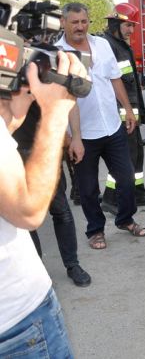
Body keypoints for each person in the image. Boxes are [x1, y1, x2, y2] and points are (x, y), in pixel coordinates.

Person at [0, 50, 86, 356]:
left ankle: (72, 263)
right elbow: (29, 212)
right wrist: (55, 112)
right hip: (17, 326)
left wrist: (11, 117)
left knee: (62, 211)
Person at [56, 2, 145, 250]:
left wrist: (127, 110)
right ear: (63, 23)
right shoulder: (57, 54)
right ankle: (95, 230)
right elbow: (67, 98)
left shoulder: (102, 45)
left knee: (127, 179)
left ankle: (125, 219)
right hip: (82, 135)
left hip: (112, 127)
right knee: (87, 189)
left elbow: (115, 79)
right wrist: (74, 137)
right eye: (74, 22)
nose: (80, 27)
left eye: (84, 22)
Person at [13, 102, 91, 287]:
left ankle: (72, 265)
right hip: (13, 154)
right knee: (25, 221)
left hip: (45, 151)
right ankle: (37, 272)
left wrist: (75, 137)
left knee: (61, 211)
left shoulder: (41, 72)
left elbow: (68, 100)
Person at [101, 3, 145, 211]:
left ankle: (137, 193)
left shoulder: (121, 45)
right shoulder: (107, 45)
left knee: (137, 154)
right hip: (122, 113)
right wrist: (126, 113)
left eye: (133, 26)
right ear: (116, 23)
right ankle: (110, 198)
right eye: (128, 26)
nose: (132, 31)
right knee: (124, 156)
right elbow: (113, 84)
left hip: (132, 109)